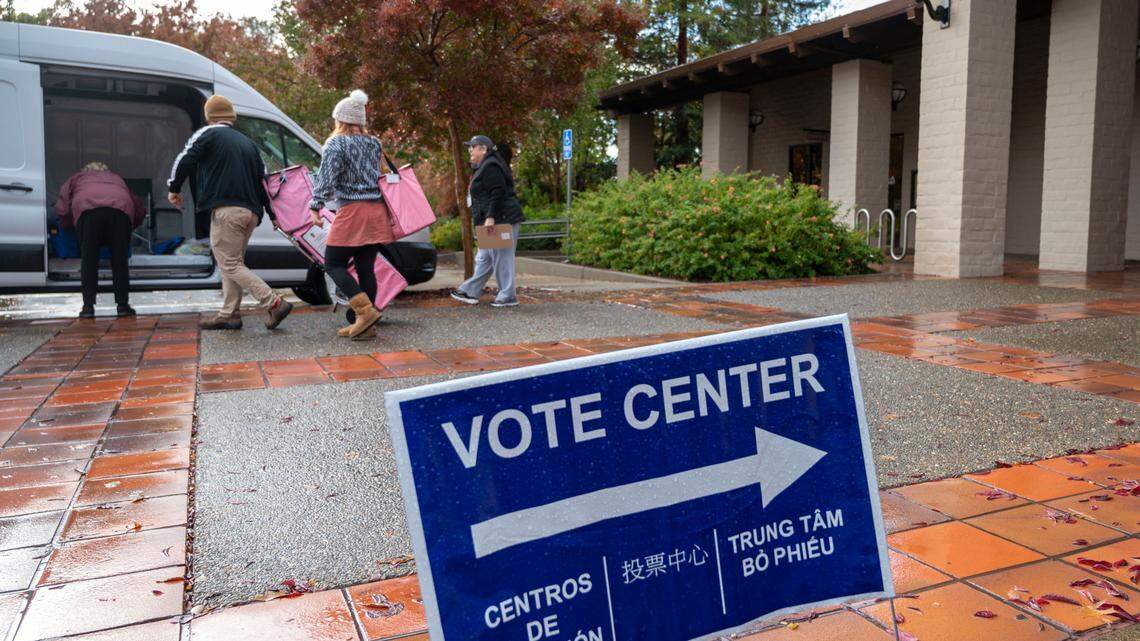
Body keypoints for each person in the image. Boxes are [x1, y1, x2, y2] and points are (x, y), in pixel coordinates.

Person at [168, 94, 292, 331]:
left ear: (209, 116)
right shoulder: (248, 143)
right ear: (231, 116)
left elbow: (184, 160)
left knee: (230, 263)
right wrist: (273, 214)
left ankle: (273, 302)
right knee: (233, 263)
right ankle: (230, 314)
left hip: (227, 210)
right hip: (251, 213)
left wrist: (174, 188)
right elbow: (263, 181)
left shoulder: (208, 134)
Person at [308, 89, 392, 340]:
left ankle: (365, 313)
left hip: (353, 211)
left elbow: (326, 178)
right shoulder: (374, 143)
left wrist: (316, 205)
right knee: (366, 266)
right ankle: (366, 325)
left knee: (333, 264)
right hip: (376, 210)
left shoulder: (336, 143)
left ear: (340, 119)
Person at [55, 162, 145, 319]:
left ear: (85, 171)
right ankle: (123, 306)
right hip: (120, 212)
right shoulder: (116, 178)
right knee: (119, 261)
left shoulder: (77, 178)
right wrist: (130, 226)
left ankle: (88, 307)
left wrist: (68, 225)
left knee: (89, 261)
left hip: (88, 212)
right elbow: (137, 206)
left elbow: (62, 207)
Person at [450, 135, 526, 308]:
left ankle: (508, 296)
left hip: (502, 219)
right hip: (492, 220)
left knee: (502, 258)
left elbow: (497, 192)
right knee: (485, 257)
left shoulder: (491, 166)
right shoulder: (483, 166)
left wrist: (490, 217)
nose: (469, 151)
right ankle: (470, 292)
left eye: (472, 147)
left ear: (483, 149)